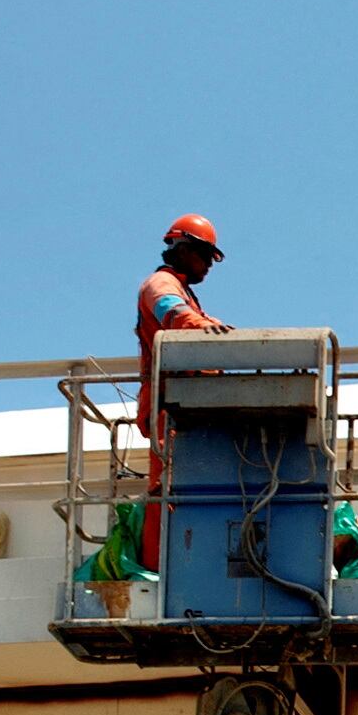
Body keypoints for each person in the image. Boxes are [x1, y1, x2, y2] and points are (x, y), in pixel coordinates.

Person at [133, 215, 228, 572]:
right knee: (167, 491)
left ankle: (188, 566)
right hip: (169, 408)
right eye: (205, 256)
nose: (208, 266)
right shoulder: (161, 285)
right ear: (184, 248)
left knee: (188, 489)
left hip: (186, 407)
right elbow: (173, 314)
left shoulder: (185, 291)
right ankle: (160, 573)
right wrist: (207, 327)